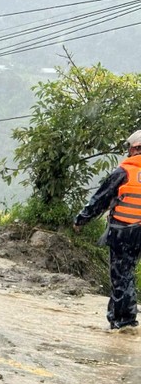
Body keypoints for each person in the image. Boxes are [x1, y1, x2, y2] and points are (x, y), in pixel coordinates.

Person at [74, 130, 141, 330]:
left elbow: (100, 199)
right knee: (127, 273)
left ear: (134, 148)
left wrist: (80, 220)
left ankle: (124, 322)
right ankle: (117, 317)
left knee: (121, 275)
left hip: (123, 231)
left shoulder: (123, 172)